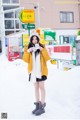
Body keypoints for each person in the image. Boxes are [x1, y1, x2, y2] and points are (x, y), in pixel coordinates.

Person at [22, 32, 51, 116]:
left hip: (41, 71)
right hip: (33, 71)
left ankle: (42, 106)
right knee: (36, 87)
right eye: (33, 39)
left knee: (41, 87)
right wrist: (28, 51)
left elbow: (47, 58)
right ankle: (37, 105)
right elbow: (26, 60)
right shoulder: (28, 48)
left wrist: (43, 50)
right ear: (31, 40)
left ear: (38, 39)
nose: (34, 40)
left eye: (36, 39)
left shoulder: (42, 47)